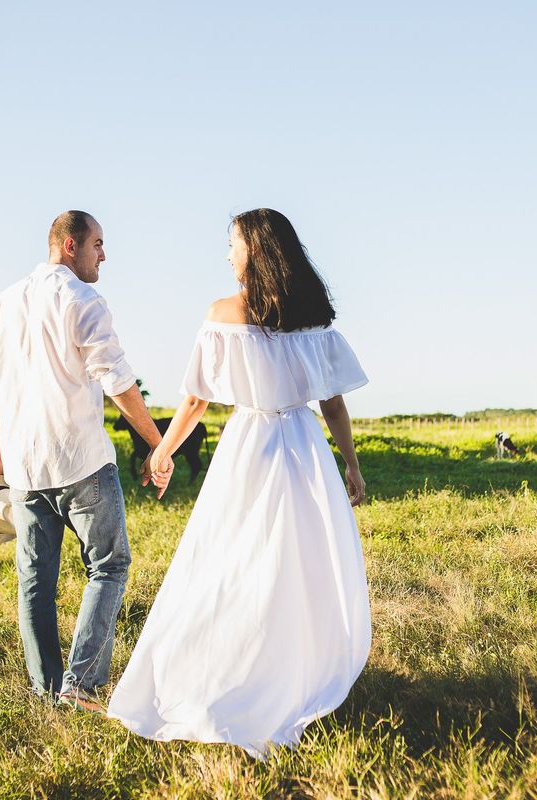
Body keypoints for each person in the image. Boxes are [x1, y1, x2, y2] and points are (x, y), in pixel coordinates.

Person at [106, 208, 371, 759]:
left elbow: (197, 401)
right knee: (297, 567)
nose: (227, 255)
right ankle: (291, 673)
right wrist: (350, 463)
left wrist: (162, 449)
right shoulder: (313, 318)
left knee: (231, 564)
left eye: (232, 244)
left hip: (250, 447)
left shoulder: (223, 314)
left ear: (255, 249)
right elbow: (333, 403)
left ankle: (230, 674)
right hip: (303, 450)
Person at [0, 210, 168, 712]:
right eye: (98, 244)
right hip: (82, 461)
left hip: (23, 470)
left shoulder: (1, 305)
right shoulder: (83, 298)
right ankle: (80, 687)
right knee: (109, 567)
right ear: (69, 246)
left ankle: (46, 693)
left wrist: (1, 457)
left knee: (35, 583)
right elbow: (116, 377)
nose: (104, 254)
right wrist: (155, 443)